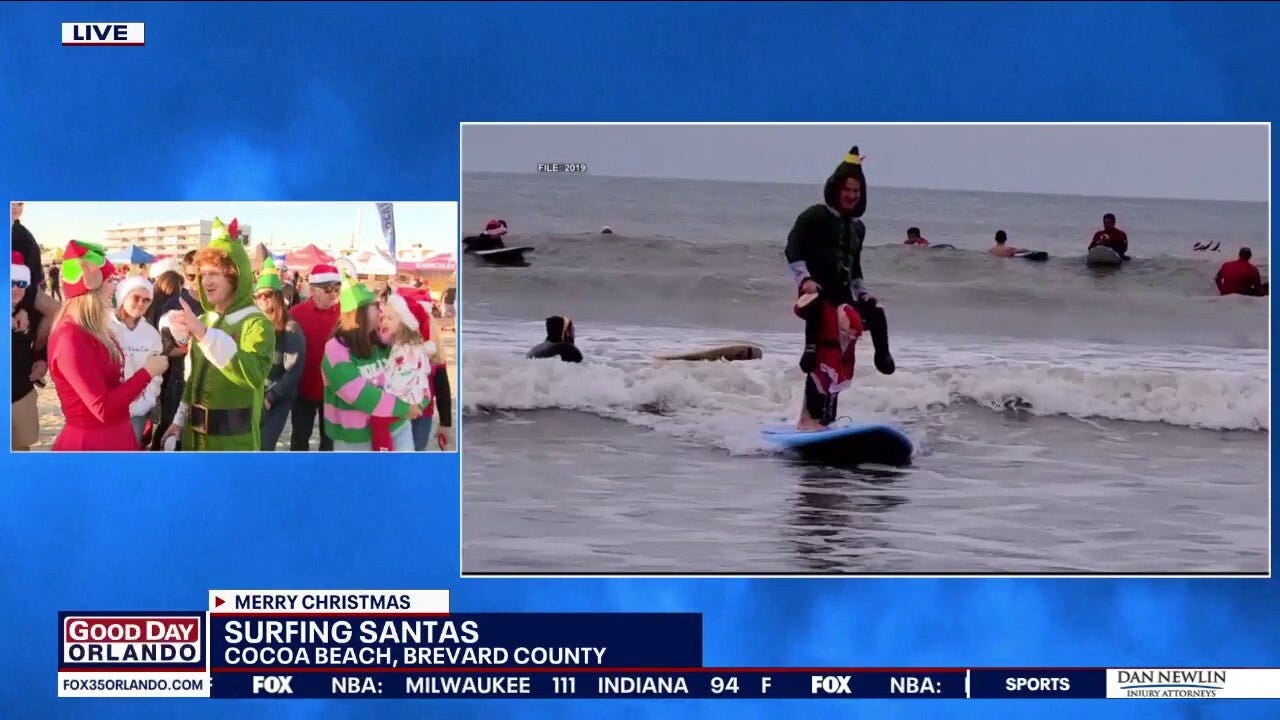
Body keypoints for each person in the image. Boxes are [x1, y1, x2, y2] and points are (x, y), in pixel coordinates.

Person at [784, 145, 894, 430]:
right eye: (847, 189)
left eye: (857, 191)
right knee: (823, 351)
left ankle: (829, 417)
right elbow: (792, 247)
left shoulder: (858, 227)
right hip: (816, 294)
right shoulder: (815, 215)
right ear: (836, 189)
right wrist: (804, 279)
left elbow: (854, 267)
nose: (852, 195)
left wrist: (864, 294)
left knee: (849, 344)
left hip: (842, 295)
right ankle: (808, 420)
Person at [161, 218, 275, 451]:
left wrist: (204, 334)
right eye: (202, 274)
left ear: (236, 276)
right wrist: (178, 421)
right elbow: (192, 377)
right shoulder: (205, 319)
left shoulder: (257, 323)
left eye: (214, 273)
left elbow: (253, 374)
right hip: (194, 441)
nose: (206, 282)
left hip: (234, 444)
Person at [47, 241, 167, 450]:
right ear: (92, 285)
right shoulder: (70, 337)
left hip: (116, 434)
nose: (116, 286)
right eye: (111, 280)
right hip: (93, 443)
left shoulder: (94, 330)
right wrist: (147, 373)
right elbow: (101, 408)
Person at [321, 275, 421, 451]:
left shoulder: (383, 341)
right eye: (375, 306)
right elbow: (358, 394)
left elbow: (412, 369)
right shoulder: (335, 348)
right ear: (360, 312)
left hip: (396, 427)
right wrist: (403, 407)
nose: (380, 310)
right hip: (355, 438)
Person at [371, 287, 445, 451]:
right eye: (384, 317)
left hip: (406, 404)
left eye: (389, 318)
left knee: (382, 427)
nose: (384, 321)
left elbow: (401, 380)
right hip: (414, 403)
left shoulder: (407, 349)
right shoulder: (402, 344)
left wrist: (381, 389)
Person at [288, 263, 343, 451]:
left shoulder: (345, 314)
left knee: (329, 441)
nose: (333, 293)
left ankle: (324, 469)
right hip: (303, 388)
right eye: (328, 289)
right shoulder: (296, 313)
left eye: (337, 288)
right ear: (312, 290)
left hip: (333, 391)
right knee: (299, 438)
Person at [253, 257, 305, 450]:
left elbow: (293, 372)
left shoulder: (290, 328)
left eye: (267, 294)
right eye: (258, 296)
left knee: (264, 446)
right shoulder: (254, 323)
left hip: (277, 398)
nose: (262, 299)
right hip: (255, 395)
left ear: (277, 295)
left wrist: (271, 397)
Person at [793, 293, 864, 429]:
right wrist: (810, 349)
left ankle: (826, 421)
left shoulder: (847, 311)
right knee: (817, 383)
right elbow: (800, 310)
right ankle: (808, 421)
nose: (852, 336)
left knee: (832, 388)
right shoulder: (819, 304)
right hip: (820, 355)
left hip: (834, 356)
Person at [111, 277, 164, 444]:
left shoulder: (151, 334)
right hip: (108, 407)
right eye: (136, 297)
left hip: (137, 409)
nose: (141, 303)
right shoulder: (104, 327)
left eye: (146, 300)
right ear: (123, 296)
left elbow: (156, 374)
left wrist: (146, 402)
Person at [147, 270, 190, 450]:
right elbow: (165, 348)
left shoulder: (152, 305)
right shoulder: (169, 310)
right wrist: (189, 349)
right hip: (168, 370)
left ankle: (156, 448)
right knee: (169, 418)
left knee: (165, 417)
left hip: (160, 369)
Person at [11, 252, 42, 450]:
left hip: (22, 394)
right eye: (10, 283)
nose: (15, 288)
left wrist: (42, 358)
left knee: (22, 450)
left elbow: (46, 336)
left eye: (20, 283)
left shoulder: (31, 316)